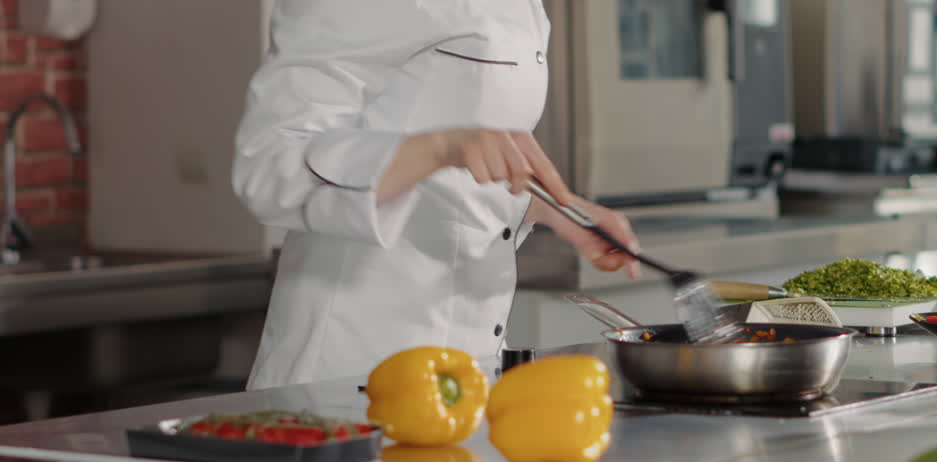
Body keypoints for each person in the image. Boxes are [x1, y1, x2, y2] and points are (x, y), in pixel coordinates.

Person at [233, 0, 640, 390]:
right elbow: (270, 166)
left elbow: (469, 168)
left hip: (468, 372)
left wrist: (558, 211)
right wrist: (440, 147)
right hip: (352, 369)